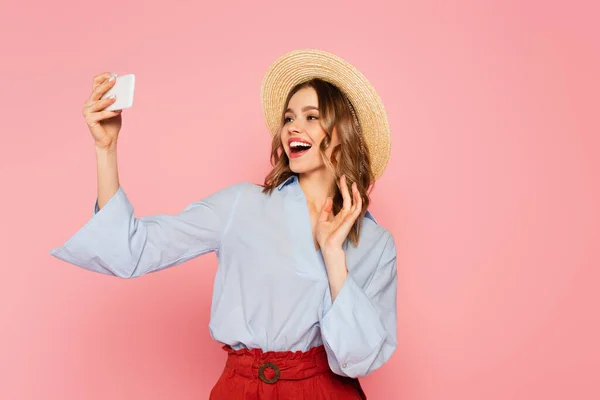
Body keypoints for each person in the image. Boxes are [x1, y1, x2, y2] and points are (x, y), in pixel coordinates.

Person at [49, 49, 397, 399]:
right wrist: (106, 149)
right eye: (289, 117)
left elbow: (358, 359)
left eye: (311, 117)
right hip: (242, 389)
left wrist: (334, 255)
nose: (293, 126)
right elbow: (130, 251)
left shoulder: (376, 242)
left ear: (343, 133)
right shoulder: (241, 205)